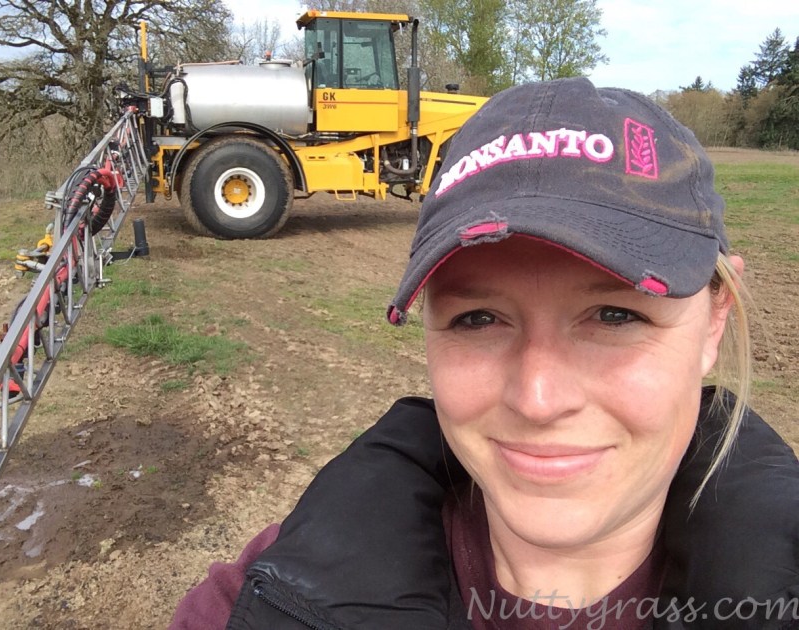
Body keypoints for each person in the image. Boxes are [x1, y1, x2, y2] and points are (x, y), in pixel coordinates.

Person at [170, 78, 799, 629]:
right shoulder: (274, 599)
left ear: (714, 322)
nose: (538, 399)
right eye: (477, 319)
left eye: (616, 315)